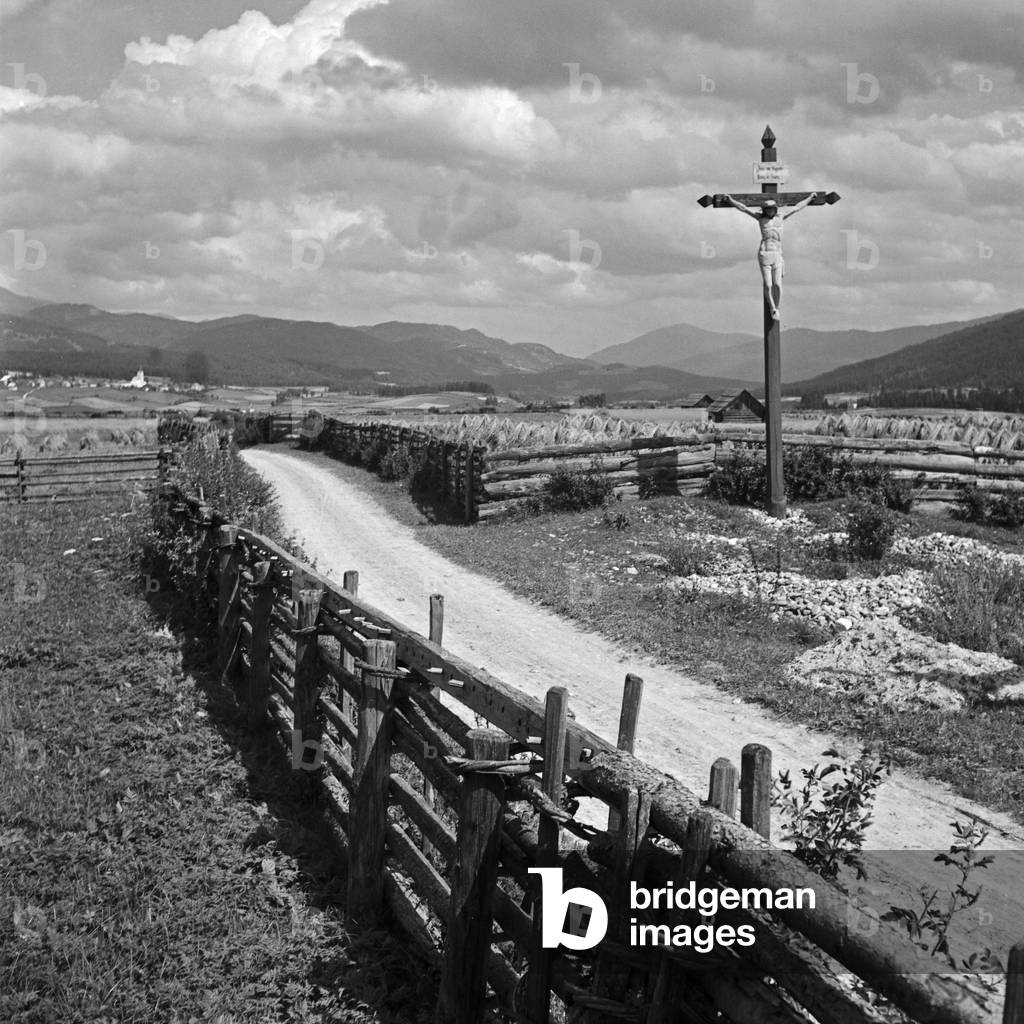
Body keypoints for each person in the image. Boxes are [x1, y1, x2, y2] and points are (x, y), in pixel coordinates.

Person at [724, 192, 817, 320]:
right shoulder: (761, 218)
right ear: (765, 210)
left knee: (777, 284)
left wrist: (810, 198)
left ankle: (776, 309)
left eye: (772, 209)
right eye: (768, 209)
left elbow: (797, 208)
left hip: (777, 254)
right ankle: (772, 307)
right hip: (765, 253)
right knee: (768, 285)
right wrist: (730, 201)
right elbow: (744, 208)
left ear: (775, 209)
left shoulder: (781, 217)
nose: (770, 211)